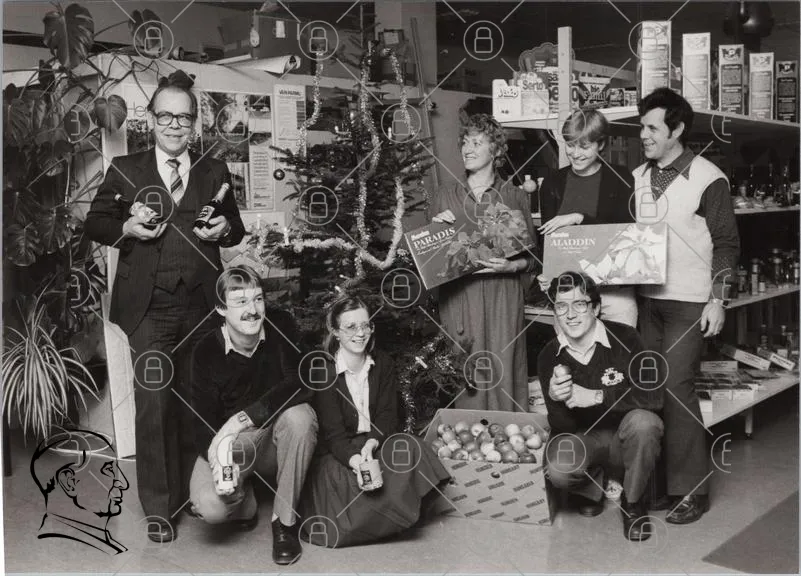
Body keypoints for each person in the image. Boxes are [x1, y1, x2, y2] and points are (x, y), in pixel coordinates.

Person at [84, 70, 246, 542]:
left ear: (195, 123)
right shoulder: (126, 169)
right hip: (149, 308)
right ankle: (159, 508)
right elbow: (95, 223)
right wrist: (125, 228)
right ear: (151, 120)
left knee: (195, 402)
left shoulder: (214, 171)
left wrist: (225, 230)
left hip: (201, 305)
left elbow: (234, 226)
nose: (175, 125)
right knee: (154, 404)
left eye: (184, 117)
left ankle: (195, 493)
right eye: (166, 116)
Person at [634, 88, 740, 524]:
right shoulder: (639, 176)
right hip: (647, 301)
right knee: (649, 387)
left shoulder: (709, 178)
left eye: (652, 127)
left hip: (689, 301)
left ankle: (691, 490)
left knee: (677, 388)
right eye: (642, 127)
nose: (644, 135)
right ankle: (657, 486)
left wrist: (718, 299)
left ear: (676, 130)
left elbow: (726, 244)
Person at [188, 266, 317, 566]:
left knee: (300, 418)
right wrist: (219, 462)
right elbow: (200, 423)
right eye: (241, 302)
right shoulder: (204, 350)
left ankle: (284, 523)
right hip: (233, 446)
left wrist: (243, 418)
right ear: (221, 309)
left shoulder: (281, 325)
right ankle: (245, 498)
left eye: (258, 299)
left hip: (274, 438)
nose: (253, 310)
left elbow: (301, 381)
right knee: (210, 508)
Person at [300, 296, 450, 548]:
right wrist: (356, 461)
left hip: (373, 443)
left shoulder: (383, 363)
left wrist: (371, 445)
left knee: (410, 447)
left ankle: (384, 516)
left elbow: (387, 417)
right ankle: (386, 518)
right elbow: (333, 435)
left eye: (365, 325)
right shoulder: (324, 371)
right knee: (340, 491)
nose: (360, 334)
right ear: (335, 332)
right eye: (351, 327)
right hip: (340, 453)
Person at [537, 272, 663, 541]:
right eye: (561, 306)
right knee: (558, 468)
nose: (570, 314)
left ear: (595, 308)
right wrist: (556, 400)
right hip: (587, 439)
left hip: (625, 436)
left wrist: (596, 396)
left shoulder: (627, 337)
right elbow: (563, 427)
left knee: (645, 423)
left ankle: (633, 503)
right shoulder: (549, 354)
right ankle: (593, 487)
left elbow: (654, 397)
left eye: (579, 304)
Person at [429, 113, 538, 411]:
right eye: (465, 142)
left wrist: (512, 266)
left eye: (477, 142)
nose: (468, 149)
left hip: (503, 295)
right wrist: (436, 230)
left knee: (505, 367)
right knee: (467, 372)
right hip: (461, 300)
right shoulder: (444, 196)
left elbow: (533, 260)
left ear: (496, 150)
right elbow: (431, 261)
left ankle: (510, 432)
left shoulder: (513, 196)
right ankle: (466, 435)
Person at [538, 108, 638, 327]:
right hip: (569, 292)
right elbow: (548, 241)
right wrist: (545, 272)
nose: (575, 154)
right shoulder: (552, 182)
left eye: (584, 146)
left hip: (614, 290)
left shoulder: (621, 178)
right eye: (570, 145)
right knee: (571, 349)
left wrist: (579, 218)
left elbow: (627, 234)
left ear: (601, 144)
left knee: (620, 346)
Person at [31, 430, 130, 554]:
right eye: (109, 469)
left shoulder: (103, 541)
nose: (124, 484)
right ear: (69, 483)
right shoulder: (73, 551)